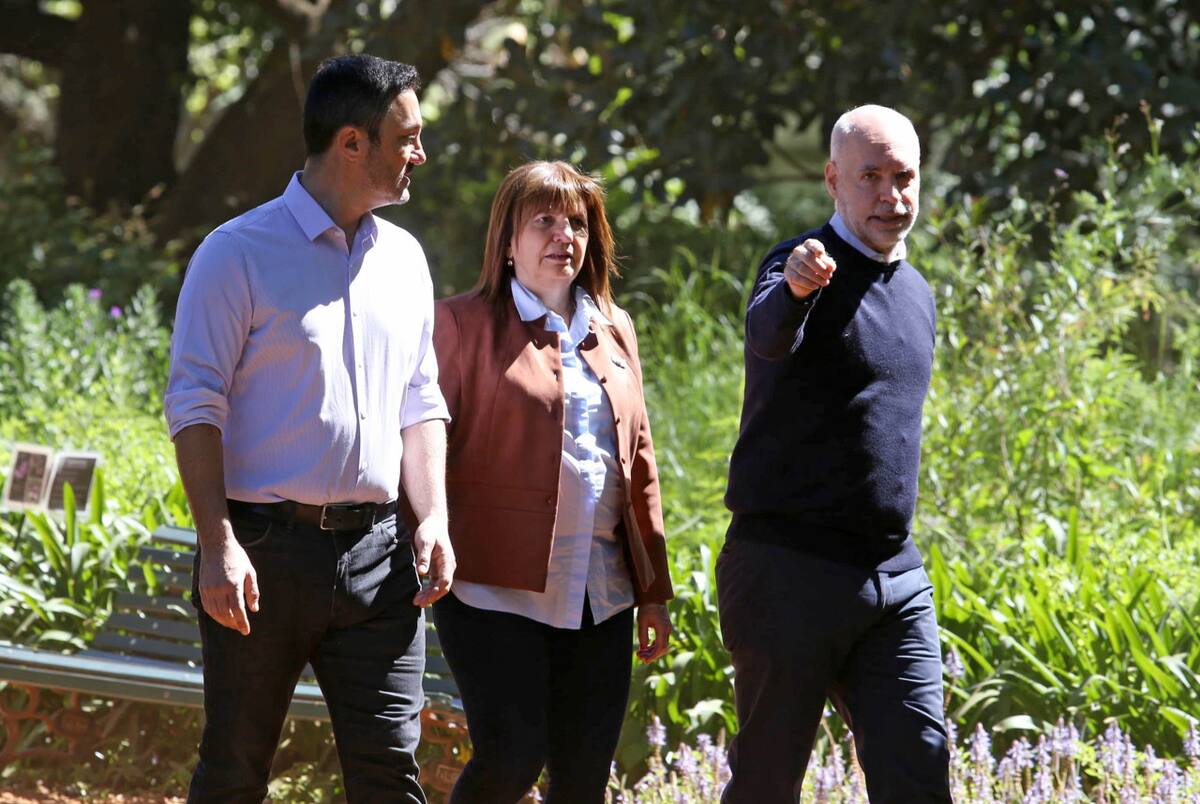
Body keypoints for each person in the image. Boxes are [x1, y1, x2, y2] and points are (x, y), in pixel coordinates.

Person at [164, 54, 454, 804]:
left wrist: (435, 518)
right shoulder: (236, 254)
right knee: (234, 773)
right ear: (352, 143)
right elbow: (195, 404)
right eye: (408, 138)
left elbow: (420, 401)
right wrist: (218, 543)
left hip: (381, 559)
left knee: (391, 775)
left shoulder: (408, 261)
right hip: (263, 558)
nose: (420, 153)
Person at [717, 105, 951, 802]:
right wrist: (793, 286)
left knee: (920, 774)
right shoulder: (800, 266)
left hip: (893, 578)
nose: (892, 196)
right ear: (832, 180)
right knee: (766, 785)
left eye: (904, 177)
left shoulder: (916, 292)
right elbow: (767, 334)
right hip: (788, 572)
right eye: (870, 177)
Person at [430, 161, 674, 804]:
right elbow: (423, 444)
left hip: (601, 589)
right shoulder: (459, 324)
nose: (563, 235)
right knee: (510, 758)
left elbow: (639, 460)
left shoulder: (615, 328)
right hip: (491, 588)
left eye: (577, 224)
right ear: (507, 243)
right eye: (543, 221)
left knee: (583, 779)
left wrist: (653, 589)